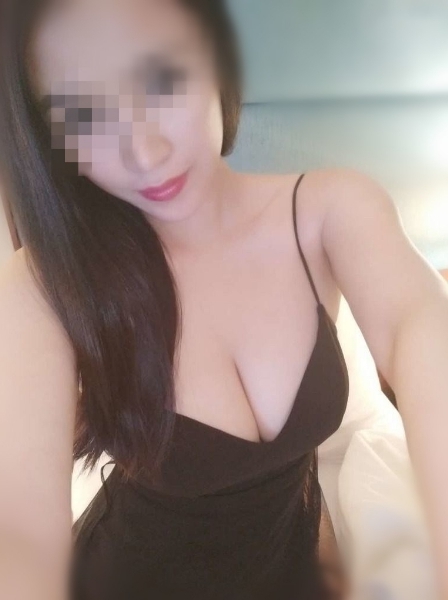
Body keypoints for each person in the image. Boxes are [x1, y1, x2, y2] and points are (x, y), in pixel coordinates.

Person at [8, 0, 442, 598]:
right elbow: (20, 535)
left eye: (161, 77)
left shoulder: (331, 213)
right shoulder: (42, 284)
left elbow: (422, 329)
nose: (145, 153)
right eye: (84, 115)